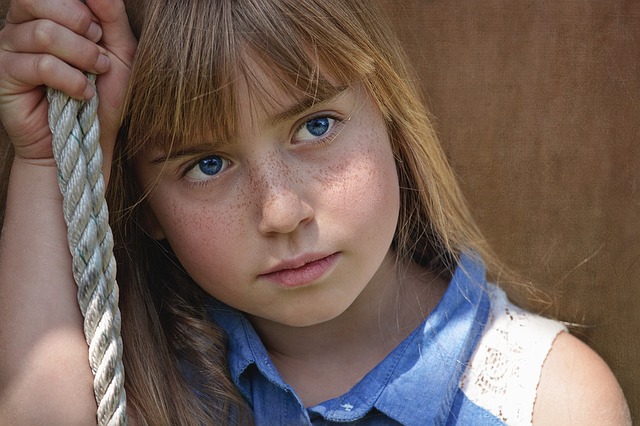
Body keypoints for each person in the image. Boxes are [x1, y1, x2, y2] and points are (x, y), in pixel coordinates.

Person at [0, 0, 631, 424]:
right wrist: (45, 161)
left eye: (316, 125)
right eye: (207, 164)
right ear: (143, 206)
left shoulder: (546, 399)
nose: (279, 211)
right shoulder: (149, 374)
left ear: (387, 107)